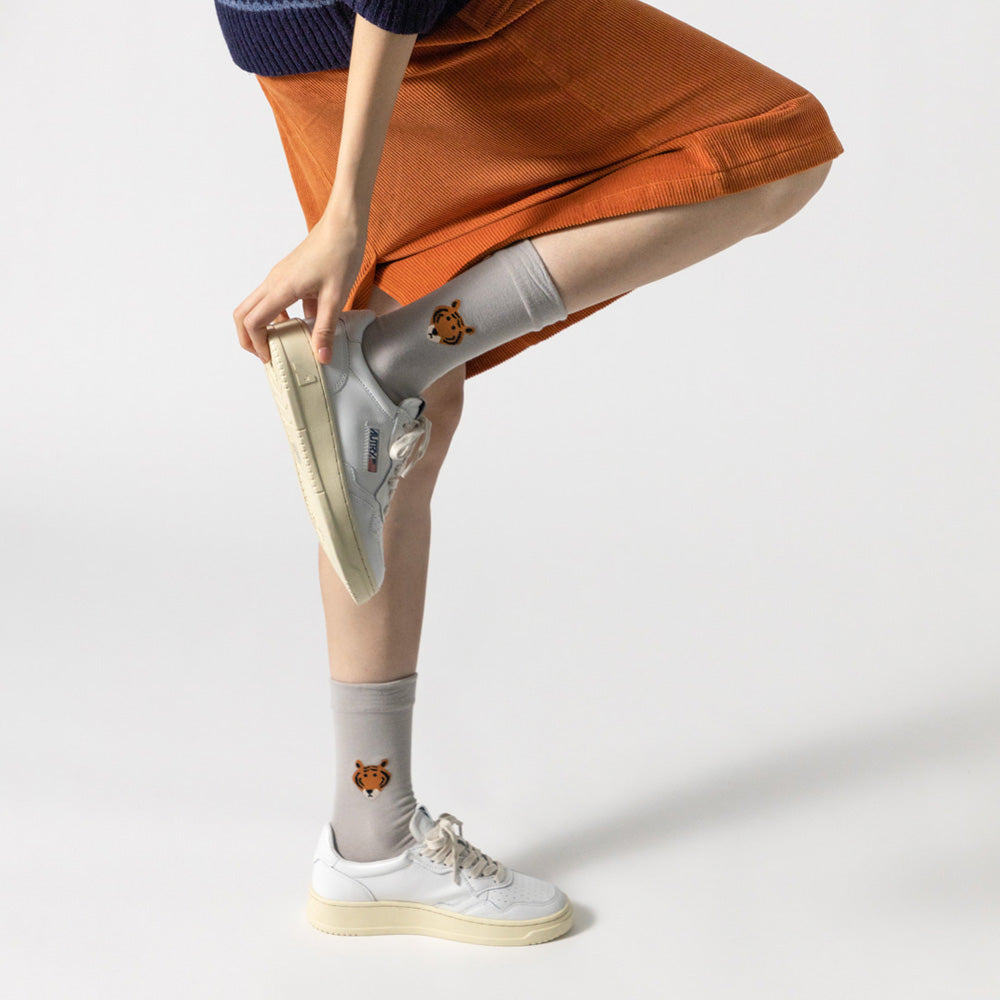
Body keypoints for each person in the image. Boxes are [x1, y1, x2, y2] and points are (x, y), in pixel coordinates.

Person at [219, 0, 844, 946]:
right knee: (774, 149)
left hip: (298, 42)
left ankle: (371, 835)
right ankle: (397, 357)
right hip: (420, 25)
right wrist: (347, 209)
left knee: (401, 426)